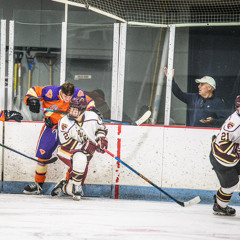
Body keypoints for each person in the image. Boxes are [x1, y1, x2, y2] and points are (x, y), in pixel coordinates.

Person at [23, 82, 96, 195]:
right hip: (52, 127)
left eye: (69, 97)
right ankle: (38, 184)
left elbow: (90, 102)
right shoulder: (50, 91)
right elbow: (33, 90)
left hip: (69, 129)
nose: (67, 99)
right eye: (65, 96)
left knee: (73, 157)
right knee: (42, 156)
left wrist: (92, 111)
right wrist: (31, 99)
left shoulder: (78, 93)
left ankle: (66, 182)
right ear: (60, 91)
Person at [50, 96, 108, 200]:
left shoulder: (93, 117)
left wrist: (101, 140)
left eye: (75, 110)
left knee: (77, 178)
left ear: (82, 111)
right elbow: (65, 142)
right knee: (80, 159)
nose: (71, 112)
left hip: (86, 153)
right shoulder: (64, 122)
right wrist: (85, 146)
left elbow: (101, 129)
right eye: (71, 108)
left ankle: (64, 185)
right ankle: (77, 187)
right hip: (66, 150)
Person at [209, 95, 240, 216]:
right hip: (223, 160)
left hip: (230, 154)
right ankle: (219, 206)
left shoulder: (236, 116)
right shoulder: (237, 126)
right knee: (230, 186)